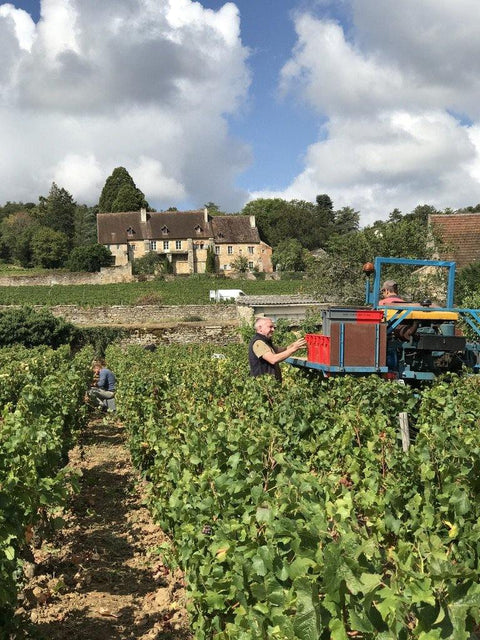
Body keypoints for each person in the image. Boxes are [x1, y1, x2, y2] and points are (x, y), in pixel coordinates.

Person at [248, 317, 307, 382]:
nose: (273, 329)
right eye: (270, 327)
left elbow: (280, 350)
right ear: (260, 328)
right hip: (264, 386)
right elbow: (273, 359)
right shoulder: (258, 343)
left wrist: (293, 345)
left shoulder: (265, 341)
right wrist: (293, 349)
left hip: (269, 385)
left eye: (273, 327)